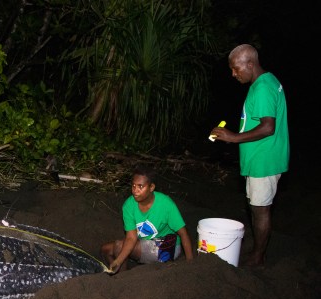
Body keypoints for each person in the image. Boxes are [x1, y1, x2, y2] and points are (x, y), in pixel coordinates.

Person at [210, 44, 289, 267]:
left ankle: (258, 256)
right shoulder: (267, 81)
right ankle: (257, 249)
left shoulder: (263, 88)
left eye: (236, 69)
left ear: (250, 64)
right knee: (257, 207)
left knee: (260, 210)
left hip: (264, 161)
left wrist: (233, 137)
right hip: (262, 158)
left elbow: (268, 127)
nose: (233, 74)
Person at [100, 167, 194, 274]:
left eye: (140, 186)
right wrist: (118, 261)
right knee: (105, 249)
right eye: (133, 185)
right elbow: (131, 237)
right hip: (143, 241)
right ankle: (116, 271)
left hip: (166, 246)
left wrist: (190, 264)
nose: (135, 190)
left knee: (119, 246)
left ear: (151, 187)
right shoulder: (129, 205)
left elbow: (184, 234)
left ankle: (123, 278)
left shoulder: (166, 204)